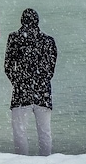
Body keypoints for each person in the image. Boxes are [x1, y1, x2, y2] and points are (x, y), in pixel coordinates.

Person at [4, 8, 58, 155]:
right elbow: (51, 68)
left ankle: (22, 160)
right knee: (45, 131)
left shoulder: (14, 38)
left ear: (22, 21)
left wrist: (17, 81)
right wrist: (42, 80)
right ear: (37, 21)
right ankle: (46, 160)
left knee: (19, 131)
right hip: (43, 92)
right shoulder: (48, 41)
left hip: (21, 92)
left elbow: (8, 66)